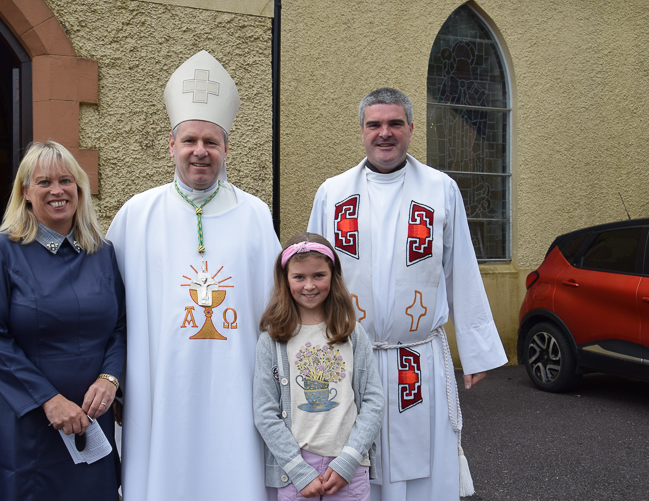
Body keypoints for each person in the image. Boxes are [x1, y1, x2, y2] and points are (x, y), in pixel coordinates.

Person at [308, 88, 508, 501]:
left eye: (395, 124)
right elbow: (313, 275)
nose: (385, 133)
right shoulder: (333, 193)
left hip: (415, 359)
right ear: (361, 132)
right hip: (351, 357)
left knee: (421, 469)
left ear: (411, 129)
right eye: (375, 125)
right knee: (354, 464)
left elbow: (462, 271)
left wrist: (476, 351)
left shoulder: (440, 190)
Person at [107, 50, 281, 500]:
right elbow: (109, 311)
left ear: (227, 149)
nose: (200, 151)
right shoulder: (136, 215)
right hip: (157, 386)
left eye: (211, 141)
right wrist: (115, 383)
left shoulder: (256, 215)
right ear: (171, 145)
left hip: (238, 382)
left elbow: (281, 307)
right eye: (189, 141)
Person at [0, 141, 127, 501]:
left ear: (79, 189)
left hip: (88, 415)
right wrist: (49, 400)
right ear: (25, 192)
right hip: (26, 417)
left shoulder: (102, 251)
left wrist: (110, 378)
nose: (57, 191)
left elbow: (119, 327)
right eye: (44, 182)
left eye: (66, 180)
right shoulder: (0, 250)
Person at [254, 233, 384, 500]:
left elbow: (373, 401)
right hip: (294, 471)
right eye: (299, 277)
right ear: (285, 279)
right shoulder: (272, 339)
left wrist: (349, 460)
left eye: (319, 275)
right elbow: (265, 412)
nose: (309, 285)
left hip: (349, 467)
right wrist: (299, 471)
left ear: (333, 276)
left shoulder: (352, 333)